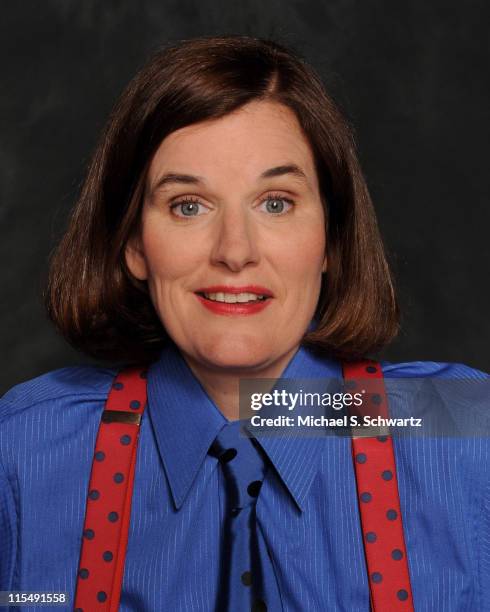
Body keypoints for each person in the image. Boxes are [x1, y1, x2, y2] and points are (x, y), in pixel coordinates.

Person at [0, 35, 488, 612]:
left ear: (330, 239)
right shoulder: (21, 451)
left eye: (276, 202)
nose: (235, 251)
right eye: (188, 205)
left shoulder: (468, 431)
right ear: (134, 244)